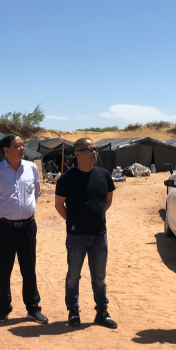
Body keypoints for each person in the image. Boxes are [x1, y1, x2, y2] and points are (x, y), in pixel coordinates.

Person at [0, 135, 48, 324]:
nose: (22, 148)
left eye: (23, 145)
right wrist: (6, 213)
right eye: (18, 145)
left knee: (29, 268)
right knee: (3, 269)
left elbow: (36, 192)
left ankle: (33, 309)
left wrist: (24, 211)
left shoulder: (31, 168)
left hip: (28, 227)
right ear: (6, 150)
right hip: (3, 228)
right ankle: (3, 309)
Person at [55, 138, 116, 328]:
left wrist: (94, 218)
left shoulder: (104, 175)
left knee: (99, 278)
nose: (94, 152)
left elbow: (108, 201)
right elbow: (59, 204)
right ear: (77, 154)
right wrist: (74, 221)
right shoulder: (66, 178)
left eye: (95, 149)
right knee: (73, 276)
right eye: (89, 149)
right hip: (76, 237)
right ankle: (73, 311)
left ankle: (102, 312)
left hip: (99, 235)